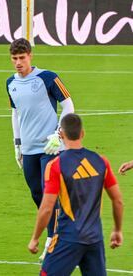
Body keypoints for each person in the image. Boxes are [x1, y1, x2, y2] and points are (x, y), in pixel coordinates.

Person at [28, 113, 123, 275]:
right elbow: (118, 200)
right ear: (82, 133)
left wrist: (35, 238)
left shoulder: (55, 165)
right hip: (94, 239)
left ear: (62, 135)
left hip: (68, 238)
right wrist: (117, 230)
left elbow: (46, 208)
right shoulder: (101, 161)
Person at [6, 38, 75, 259]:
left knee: (49, 194)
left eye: (22, 58)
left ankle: (52, 239)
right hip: (28, 148)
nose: (18, 63)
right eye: (15, 59)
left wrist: (58, 133)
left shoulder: (48, 77)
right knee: (37, 193)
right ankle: (56, 232)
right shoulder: (10, 83)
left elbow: (69, 105)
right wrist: (17, 144)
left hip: (51, 147)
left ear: (30, 56)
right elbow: (15, 113)